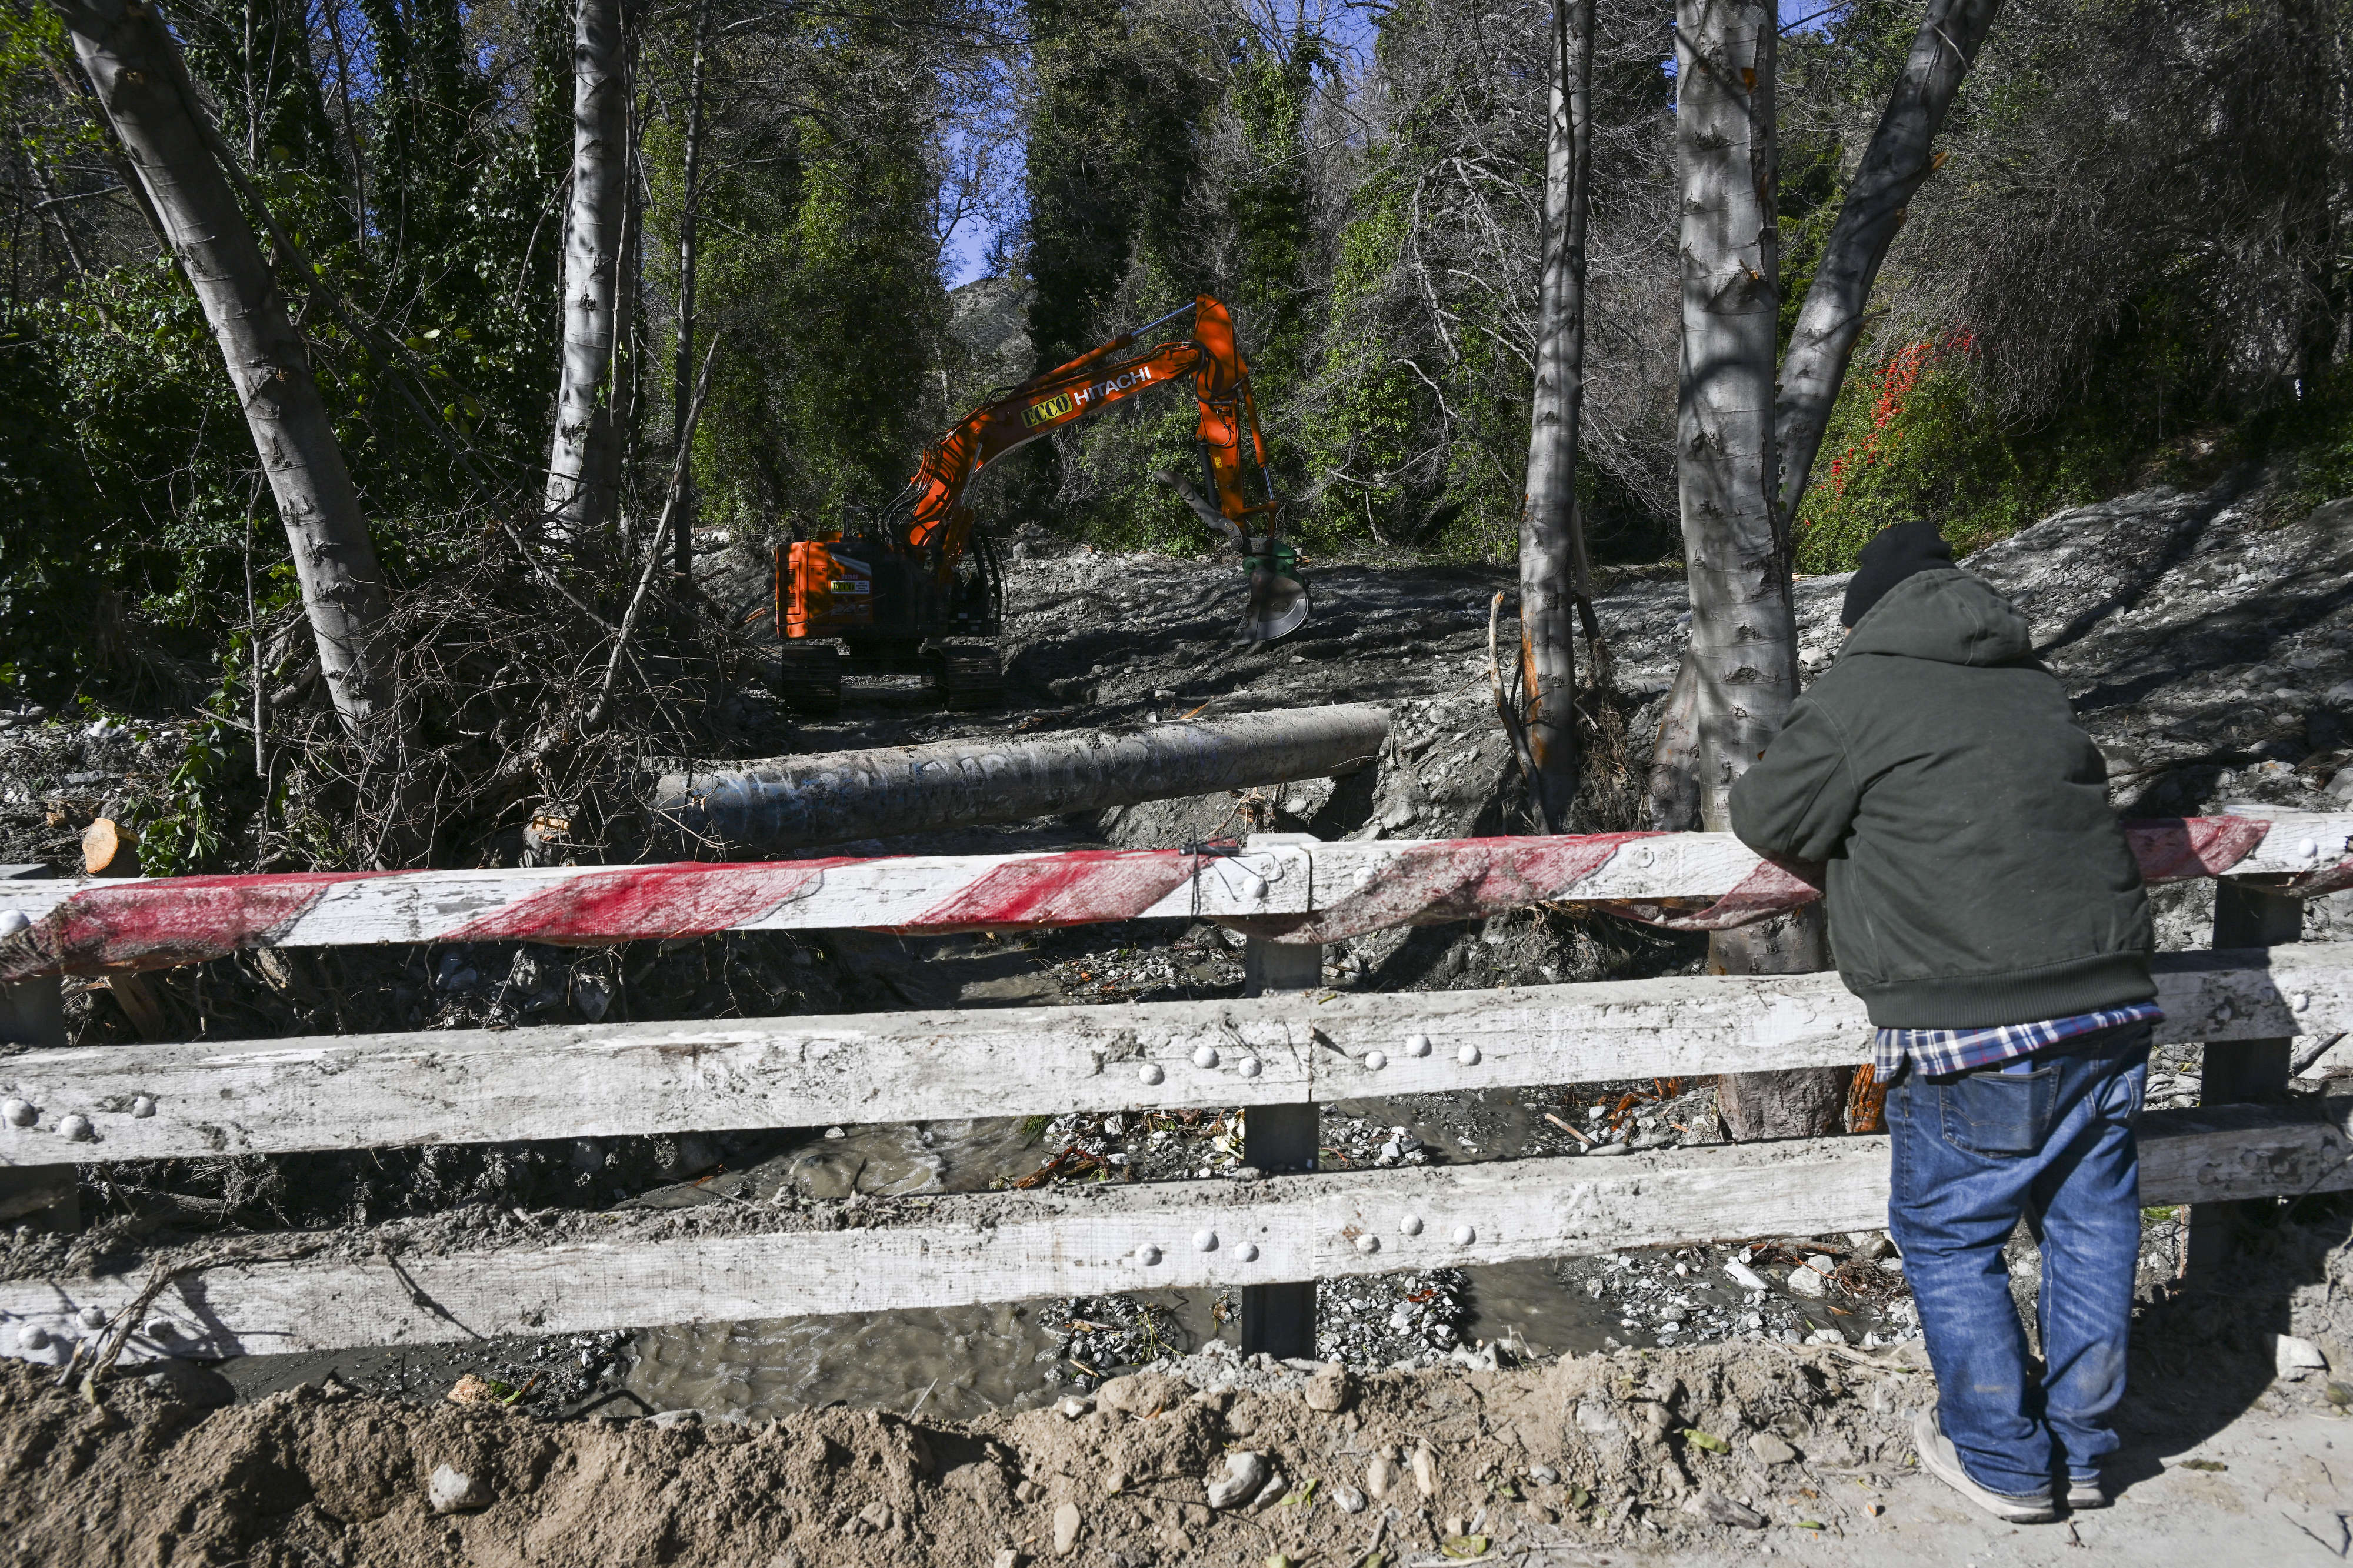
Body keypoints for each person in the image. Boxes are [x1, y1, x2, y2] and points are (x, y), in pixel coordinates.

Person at [1727, 519, 2158, 1524]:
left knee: (1949, 1236)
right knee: (2091, 1225)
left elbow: (1764, 814)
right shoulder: (2034, 681)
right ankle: (2085, 1453)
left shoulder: (1860, 692)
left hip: (1975, 1022)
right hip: (2113, 999)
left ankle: (2006, 1461)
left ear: (1864, 616)